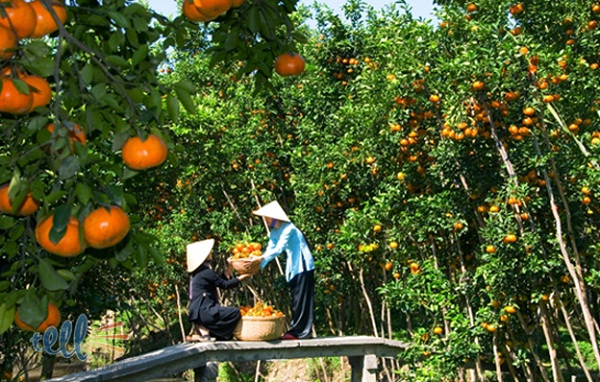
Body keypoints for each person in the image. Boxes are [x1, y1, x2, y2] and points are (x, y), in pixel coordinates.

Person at [248, 201, 315, 340]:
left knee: (302, 299)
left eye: (266, 217)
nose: (264, 220)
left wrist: (259, 259)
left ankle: (302, 332)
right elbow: (270, 249)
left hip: (303, 265)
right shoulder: (275, 231)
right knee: (296, 299)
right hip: (294, 267)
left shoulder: (289, 228)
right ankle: (297, 330)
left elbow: (279, 248)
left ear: (273, 217)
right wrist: (258, 265)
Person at [186, 238, 252, 341]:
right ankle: (211, 333)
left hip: (199, 313)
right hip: (205, 312)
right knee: (235, 312)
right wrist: (241, 277)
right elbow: (225, 285)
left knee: (227, 316)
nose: (210, 254)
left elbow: (219, 280)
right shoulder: (205, 272)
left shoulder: (199, 272)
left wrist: (230, 267)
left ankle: (205, 334)